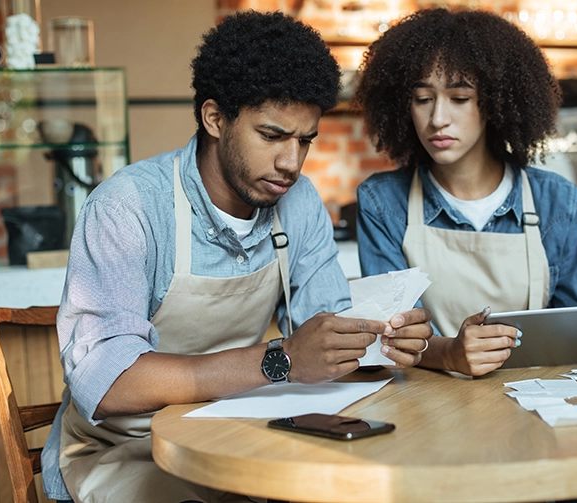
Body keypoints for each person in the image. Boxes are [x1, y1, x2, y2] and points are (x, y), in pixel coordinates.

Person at [40, 11, 433, 503]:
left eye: (304, 140)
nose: (291, 163)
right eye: (271, 136)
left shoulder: (300, 201)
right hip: (124, 450)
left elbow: (321, 335)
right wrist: (280, 361)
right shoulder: (129, 208)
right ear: (215, 118)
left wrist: (379, 342)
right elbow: (106, 382)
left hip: (235, 434)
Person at [353, 9, 577, 503]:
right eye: (422, 99)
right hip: (431, 419)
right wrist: (450, 352)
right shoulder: (382, 202)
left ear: (493, 102)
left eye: (459, 98)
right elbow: (386, 342)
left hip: (543, 413)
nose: (437, 118)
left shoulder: (560, 203)